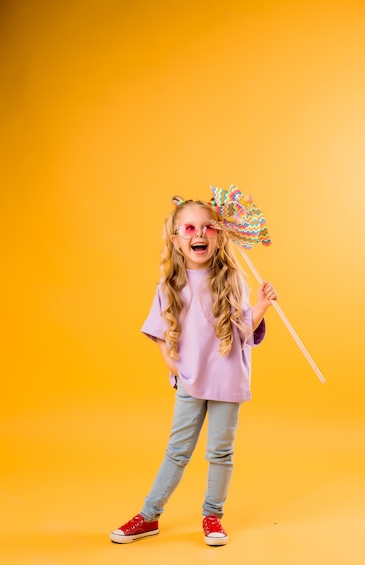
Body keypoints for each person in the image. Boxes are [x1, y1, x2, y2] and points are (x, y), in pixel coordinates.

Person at [110, 196, 277, 546]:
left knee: (220, 452)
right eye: (190, 228)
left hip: (227, 378)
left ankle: (213, 516)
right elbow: (158, 329)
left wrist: (260, 306)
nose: (199, 234)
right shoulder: (168, 285)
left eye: (208, 227)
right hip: (190, 378)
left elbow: (243, 332)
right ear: (175, 238)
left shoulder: (232, 280)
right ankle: (149, 514)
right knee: (177, 451)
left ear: (219, 236)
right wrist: (168, 360)